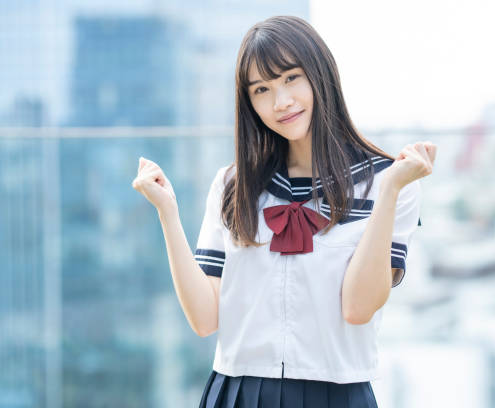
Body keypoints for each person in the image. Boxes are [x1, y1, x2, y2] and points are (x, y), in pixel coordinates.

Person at [132, 15, 436, 408]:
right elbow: (205, 319)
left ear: (319, 74)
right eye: (262, 89)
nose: (281, 102)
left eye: (291, 78)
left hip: (336, 392)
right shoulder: (232, 185)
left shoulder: (389, 181)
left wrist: (392, 189)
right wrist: (168, 215)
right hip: (238, 391)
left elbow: (358, 308)